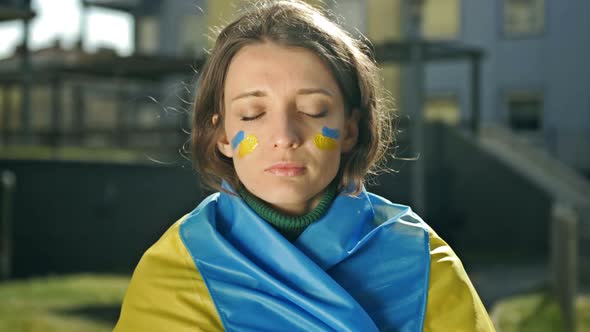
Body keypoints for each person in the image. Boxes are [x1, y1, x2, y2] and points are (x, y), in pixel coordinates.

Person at [114, 1, 495, 331]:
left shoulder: (422, 260)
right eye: (252, 113)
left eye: (313, 110)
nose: (285, 135)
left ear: (350, 129)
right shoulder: (177, 268)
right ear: (222, 135)